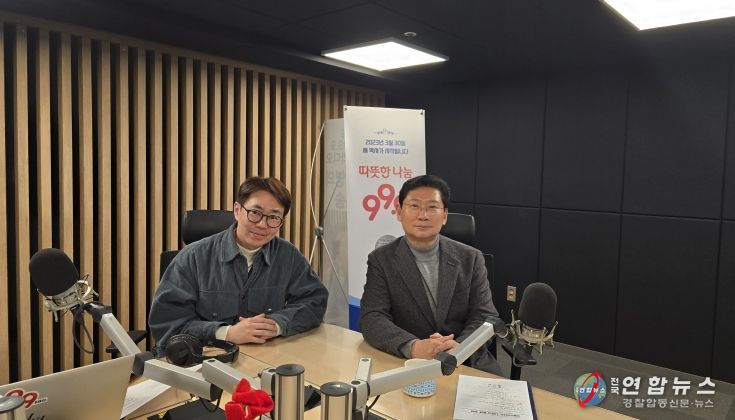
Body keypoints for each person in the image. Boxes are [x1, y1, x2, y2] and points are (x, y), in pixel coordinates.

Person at [149, 176, 328, 355]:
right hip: (204, 358)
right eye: (255, 213)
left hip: (264, 357)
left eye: (274, 217)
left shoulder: (287, 255)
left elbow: (315, 301)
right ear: (237, 210)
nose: (262, 224)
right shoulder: (193, 257)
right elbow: (167, 323)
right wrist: (226, 333)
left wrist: (277, 324)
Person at [360, 174, 503, 375]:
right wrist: (413, 346)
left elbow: (485, 316)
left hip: (467, 361)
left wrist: (460, 348)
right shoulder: (381, 259)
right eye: (414, 206)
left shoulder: (471, 258)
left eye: (432, 207)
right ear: (399, 212)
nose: (423, 215)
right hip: (409, 363)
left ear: (444, 215)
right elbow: (372, 317)